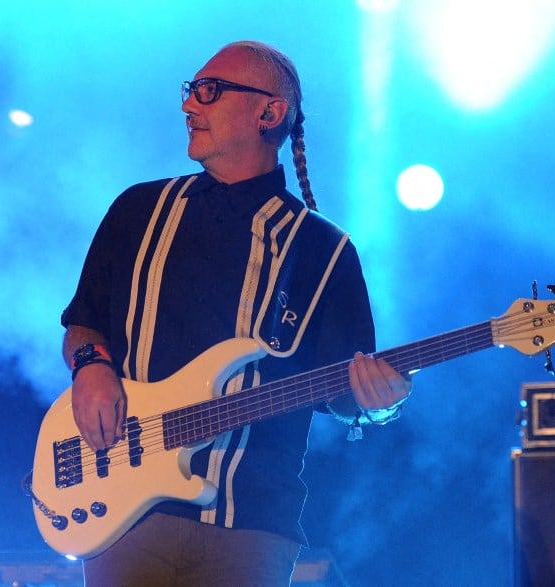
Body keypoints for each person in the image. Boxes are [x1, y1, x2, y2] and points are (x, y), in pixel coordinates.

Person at [61, 40, 411, 586]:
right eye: (190, 91)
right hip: (125, 509)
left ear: (268, 113)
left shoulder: (325, 250)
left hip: (252, 525)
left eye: (209, 91)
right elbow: (84, 321)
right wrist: (90, 366)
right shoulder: (138, 209)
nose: (188, 105)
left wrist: (379, 403)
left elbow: (346, 391)